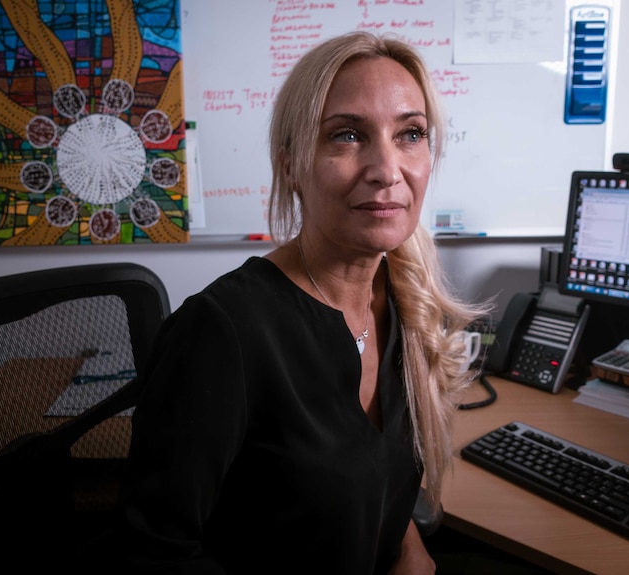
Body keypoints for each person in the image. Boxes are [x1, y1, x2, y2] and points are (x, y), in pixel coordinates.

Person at [115, 31, 489, 574]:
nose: (387, 170)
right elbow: (152, 553)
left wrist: (409, 547)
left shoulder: (404, 301)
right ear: (291, 165)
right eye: (347, 135)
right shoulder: (222, 333)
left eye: (410, 133)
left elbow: (373, 477)